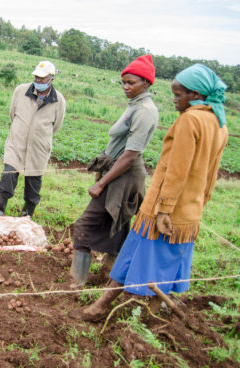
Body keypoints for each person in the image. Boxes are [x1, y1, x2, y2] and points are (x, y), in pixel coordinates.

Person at [71, 64, 229, 321]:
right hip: (189, 211)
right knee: (169, 261)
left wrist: (163, 209)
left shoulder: (190, 120)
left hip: (163, 208)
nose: (175, 101)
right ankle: (152, 313)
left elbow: (176, 171)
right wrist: (200, 204)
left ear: (196, 94)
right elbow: (212, 175)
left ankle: (101, 305)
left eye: (179, 96)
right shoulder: (220, 124)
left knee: (134, 253)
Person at [70, 55, 159, 287]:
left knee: (85, 225)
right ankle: (111, 274)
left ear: (147, 83)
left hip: (124, 174)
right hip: (119, 170)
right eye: (124, 82)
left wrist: (101, 184)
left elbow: (129, 155)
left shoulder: (145, 110)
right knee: (116, 225)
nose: (126, 87)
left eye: (132, 82)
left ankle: (77, 282)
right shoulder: (135, 105)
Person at [0, 60, 66, 218]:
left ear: (51, 78)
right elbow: (12, 114)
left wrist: (38, 135)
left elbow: (56, 126)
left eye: (42, 78)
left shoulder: (58, 100)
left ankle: (26, 217)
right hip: (16, 143)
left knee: (33, 187)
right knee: (7, 177)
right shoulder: (21, 91)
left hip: (39, 148)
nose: (38, 80)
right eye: (36, 77)